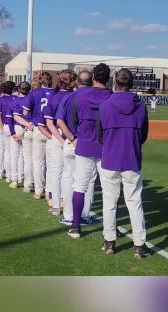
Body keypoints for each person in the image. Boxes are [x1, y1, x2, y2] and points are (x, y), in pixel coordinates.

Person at [97, 68, 149, 259]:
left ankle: (109, 242)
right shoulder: (140, 106)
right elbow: (143, 135)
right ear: (131, 84)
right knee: (134, 203)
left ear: (115, 83)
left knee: (109, 202)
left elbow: (99, 135)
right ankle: (139, 245)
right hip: (132, 158)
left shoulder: (105, 105)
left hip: (110, 158)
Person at [67, 63, 112, 239]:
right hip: (105, 146)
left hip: (84, 144)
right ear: (108, 79)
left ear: (94, 77)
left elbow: (73, 119)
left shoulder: (80, 94)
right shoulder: (111, 96)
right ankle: (109, 231)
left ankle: (75, 226)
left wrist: (76, 137)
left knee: (80, 186)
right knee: (109, 189)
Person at [56, 70, 97, 226]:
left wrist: (72, 138)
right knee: (88, 181)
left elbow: (59, 121)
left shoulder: (68, 97)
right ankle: (84, 215)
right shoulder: (94, 97)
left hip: (70, 142)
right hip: (88, 144)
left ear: (78, 82)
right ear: (92, 81)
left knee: (69, 178)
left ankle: (68, 216)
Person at [43, 69, 77, 216]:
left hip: (58, 138)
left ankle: (57, 206)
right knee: (71, 175)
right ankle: (68, 205)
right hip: (74, 138)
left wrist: (61, 140)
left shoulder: (54, 97)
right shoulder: (75, 96)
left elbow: (49, 123)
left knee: (56, 172)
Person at [21, 72, 56, 200]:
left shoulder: (34, 92)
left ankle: (38, 190)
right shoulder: (55, 93)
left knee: (38, 161)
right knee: (52, 163)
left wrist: (32, 118)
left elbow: (24, 111)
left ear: (40, 81)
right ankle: (49, 192)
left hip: (37, 128)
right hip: (52, 129)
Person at [9, 82, 31, 189]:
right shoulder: (31, 100)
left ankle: (15, 180)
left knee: (15, 156)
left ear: (19, 89)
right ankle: (22, 179)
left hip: (18, 127)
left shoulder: (15, 100)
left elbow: (10, 118)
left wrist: (12, 132)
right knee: (25, 157)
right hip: (28, 128)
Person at [0, 81, 17, 184]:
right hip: (17, 126)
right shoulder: (17, 99)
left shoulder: (0, 100)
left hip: (6, 125)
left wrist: (2, 128)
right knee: (16, 154)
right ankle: (16, 176)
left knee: (7, 152)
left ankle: (8, 175)